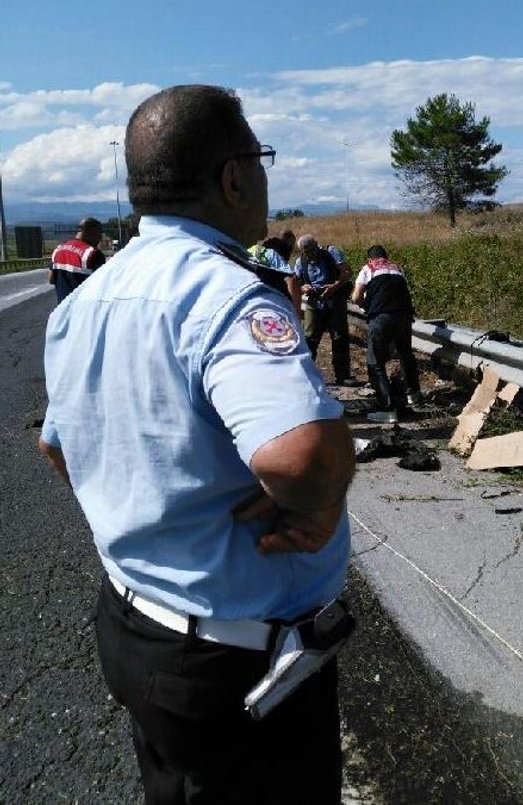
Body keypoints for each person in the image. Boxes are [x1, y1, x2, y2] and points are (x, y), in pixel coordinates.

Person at [38, 84, 357, 804]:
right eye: (261, 158)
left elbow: (58, 446)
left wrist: (152, 498)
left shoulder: (88, 296)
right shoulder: (226, 295)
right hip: (235, 668)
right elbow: (301, 456)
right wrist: (321, 496)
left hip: (132, 627)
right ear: (233, 177)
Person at [351, 244, 422, 423]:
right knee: (406, 354)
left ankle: (387, 407)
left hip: (382, 317)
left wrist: (366, 306)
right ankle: (413, 394)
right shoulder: (397, 269)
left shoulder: (367, 269)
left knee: (375, 361)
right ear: (385, 257)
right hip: (404, 317)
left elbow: (356, 297)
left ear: (369, 259)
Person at [294, 234, 357, 386]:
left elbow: (347, 273)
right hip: (314, 302)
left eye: (311, 250)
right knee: (309, 339)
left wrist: (334, 287)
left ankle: (343, 376)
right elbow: (297, 283)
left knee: (339, 338)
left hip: (335, 300)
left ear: (317, 245)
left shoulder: (332, 253)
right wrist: (304, 288)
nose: (310, 254)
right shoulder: (300, 262)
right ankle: (305, 376)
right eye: (306, 252)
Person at [49, 217, 106, 303]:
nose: (99, 238)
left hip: (61, 311)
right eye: (99, 234)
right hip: (83, 311)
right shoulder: (93, 254)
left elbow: (51, 279)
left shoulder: (58, 250)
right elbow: (102, 287)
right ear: (91, 232)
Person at [249, 238, 302, 316]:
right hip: (275, 306)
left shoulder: (247, 251)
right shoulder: (271, 254)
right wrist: (296, 313)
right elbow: (292, 280)